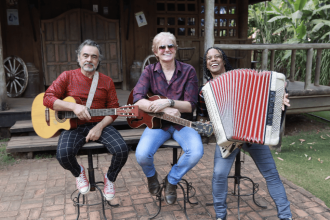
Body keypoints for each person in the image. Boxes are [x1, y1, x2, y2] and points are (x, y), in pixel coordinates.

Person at [197, 47, 293, 220]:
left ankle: (286, 216)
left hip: (254, 135)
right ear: (206, 64)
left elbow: (267, 100)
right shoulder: (206, 91)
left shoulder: (241, 79)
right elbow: (202, 117)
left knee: (271, 173)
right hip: (228, 140)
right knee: (219, 174)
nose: (213, 60)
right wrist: (210, 126)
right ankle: (220, 216)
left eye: (217, 56)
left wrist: (280, 99)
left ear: (223, 60)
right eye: (209, 58)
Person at [43, 39, 129, 201]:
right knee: (63, 155)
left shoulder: (107, 81)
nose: (89, 60)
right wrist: (73, 107)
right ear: (79, 58)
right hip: (73, 126)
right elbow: (47, 98)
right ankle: (79, 172)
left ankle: (109, 178)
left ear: (98, 60)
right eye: (86, 56)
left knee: (122, 150)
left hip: (99, 124)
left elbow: (114, 110)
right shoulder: (67, 77)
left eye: (94, 57)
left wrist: (100, 127)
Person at [133, 32, 204, 205]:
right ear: (155, 51)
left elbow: (190, 105)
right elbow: (137, 99)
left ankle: (171, 180)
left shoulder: (189, 71)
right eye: (162, 47)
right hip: (158, 124)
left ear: (176, 49)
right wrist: (162, 111)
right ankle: (152, 177)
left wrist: (169, 102)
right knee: (142, 155)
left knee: (195, 152)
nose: (167, 49)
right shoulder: (149, 71)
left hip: (183, 124)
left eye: (170, 46)